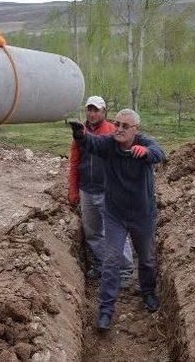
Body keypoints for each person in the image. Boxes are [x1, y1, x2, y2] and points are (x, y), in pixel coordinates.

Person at [69, 109, 166, 331]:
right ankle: (105, 310)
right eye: (117, 124)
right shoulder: (109, 144)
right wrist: (80, 135)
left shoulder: (144, 143)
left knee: (147, 258)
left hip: (143, 215)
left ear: (136, 130)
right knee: (111, 261)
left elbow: (160, 153)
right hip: (115, 215)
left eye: (125, 126)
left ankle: (148, 292)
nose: (119, 129)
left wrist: (146, 153)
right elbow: (91, 144)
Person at [68, 96, 134, 284]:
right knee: (93, 233)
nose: (92, 113)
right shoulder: (80, 132)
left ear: (104, 112)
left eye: (96, 110)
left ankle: (125, 270)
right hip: (86, 190)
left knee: (115, 231)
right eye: (89, 109)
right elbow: (74, 161)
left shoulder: (113, 131)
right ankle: (102, 264)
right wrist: (73, 189)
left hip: (108, 191)